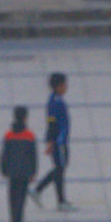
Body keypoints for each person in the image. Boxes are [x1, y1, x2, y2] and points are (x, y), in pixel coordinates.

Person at [32, 72, 73, 210]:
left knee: (60, 168)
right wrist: (50, 141)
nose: (66, 87)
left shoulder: (57, 100)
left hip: (61, 140)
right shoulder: (55, 103)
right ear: (59, 86)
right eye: (65, 84)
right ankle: (59, 200)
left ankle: (39, 191)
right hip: (59, 141)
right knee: (60, 169)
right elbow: (51, 123)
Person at [0, 104, 38, 222]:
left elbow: (4, 154)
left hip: (12, 172)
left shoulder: (8, 135)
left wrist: (3, 170)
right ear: (25, 118)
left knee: (12, 198)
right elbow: (33, 156)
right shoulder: (29, 135)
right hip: (24, 173)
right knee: (21, 199)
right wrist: (33, 172)